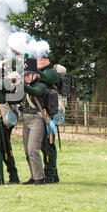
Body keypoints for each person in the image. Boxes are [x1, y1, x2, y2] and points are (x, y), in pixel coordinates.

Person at [21, 57, 49, 185]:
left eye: (28, 75)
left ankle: (39, 178)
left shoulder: (41, 86)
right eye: (25, 75)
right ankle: (33, 176)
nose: (26, 78)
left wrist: (22, 85)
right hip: (26, 118)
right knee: (27, 151)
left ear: (35, 74)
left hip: (37, 119)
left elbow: (35, 91)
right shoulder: (26, 86)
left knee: (33, 150)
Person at [37, 55, 61, 183]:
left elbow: (45, 78)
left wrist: (32, 68)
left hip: (49, 114)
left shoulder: (51, 72)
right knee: (44, 145)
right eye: (38, 59)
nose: (39, 61)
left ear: (47, 61)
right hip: (42, 112)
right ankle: (54, 174)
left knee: (48, 144)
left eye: (42, 59)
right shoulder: (40, 72)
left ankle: (50, 174)